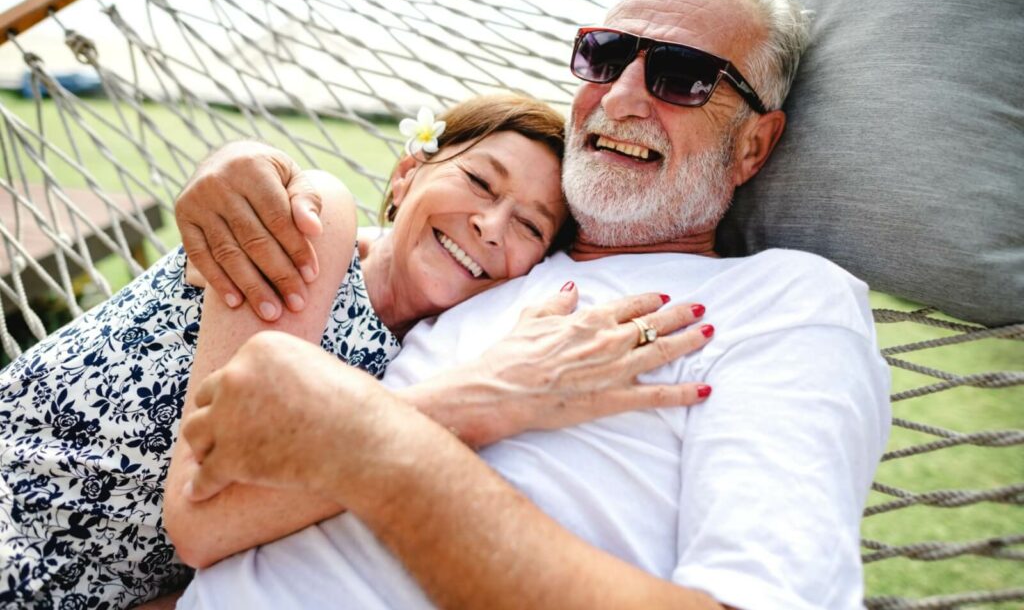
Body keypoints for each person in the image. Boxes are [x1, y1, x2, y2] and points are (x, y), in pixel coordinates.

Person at [167, 0, 892, 610]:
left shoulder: (787, 303)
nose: (620, 98)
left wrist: (380, 449)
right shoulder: (492, 264)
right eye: (604, 57)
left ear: (753, 145)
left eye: (683, 76)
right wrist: (243, 167)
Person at [0, 94, 714, 609]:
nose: (490, 225)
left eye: (529, 224)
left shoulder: (412, 364)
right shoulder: (320, 221)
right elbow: (203, 494)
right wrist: (490, 394)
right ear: (406, 176)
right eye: (476, 180)